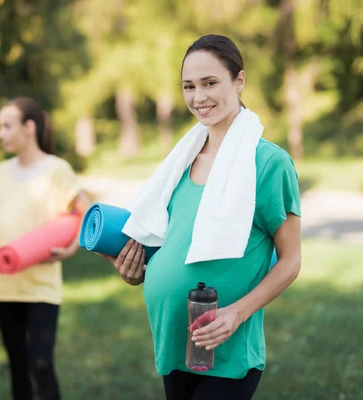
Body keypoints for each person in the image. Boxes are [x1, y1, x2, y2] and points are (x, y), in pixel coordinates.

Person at [100, 34, 302, 400]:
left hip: (227, 353)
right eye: (188, 86)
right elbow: (174, 246)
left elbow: (291, 261)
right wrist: (137, 273)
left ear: (239, 81)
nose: (199, 97)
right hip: (173, 346)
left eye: (210, 83)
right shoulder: (181, 161)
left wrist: (236, 314)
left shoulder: (270, 164)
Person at [0, 97, 91, 400]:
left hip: (41, 285)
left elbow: (87, 211)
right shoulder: (0, 171)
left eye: (6, 127)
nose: (0, 134)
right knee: (18, 365)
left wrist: (73, 247)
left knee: (41, 362)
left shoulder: (56, 169)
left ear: (29, 127)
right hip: (5, 284)